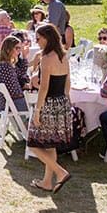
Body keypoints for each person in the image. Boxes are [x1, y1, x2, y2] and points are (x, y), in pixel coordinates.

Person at [26, 25, 72, 193]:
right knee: (50, 145)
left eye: (38, 39)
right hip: (62, 103)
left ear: (47, 38)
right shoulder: (64, 55)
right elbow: (68, 83)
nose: (36, 42)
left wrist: (37, 111)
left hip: (48, 104)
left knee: (33, 144)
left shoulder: (47, 58)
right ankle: (47, 182)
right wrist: (67, 103)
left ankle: (60, 172)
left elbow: (44, 88)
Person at [0, 35, 30, 113]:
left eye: (20, 48)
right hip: (11, 104)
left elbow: (21, 74)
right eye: (17, 48)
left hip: (8, 103)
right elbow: (14, 92)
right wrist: (27, 92)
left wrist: (25, 57)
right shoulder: (5, 66)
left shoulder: (7, 63)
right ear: (8, 49)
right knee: (38, 107)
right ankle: (29, 124)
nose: (19, 51)